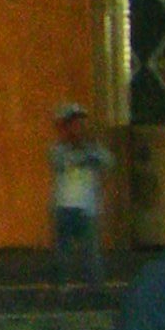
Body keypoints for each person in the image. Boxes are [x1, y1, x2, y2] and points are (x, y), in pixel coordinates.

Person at [51, 101, 107, 286]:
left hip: (86, 208)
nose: (78, 128)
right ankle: (62, 285)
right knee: (63, 251)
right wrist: (86, 154)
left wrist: (90, 150)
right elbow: (62, 162)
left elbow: (108, 161)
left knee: (90, 251)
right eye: (73, 123)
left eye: (80, 123)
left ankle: (95, 287)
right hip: (63, 206)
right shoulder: (58, 149)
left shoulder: (92, 147)